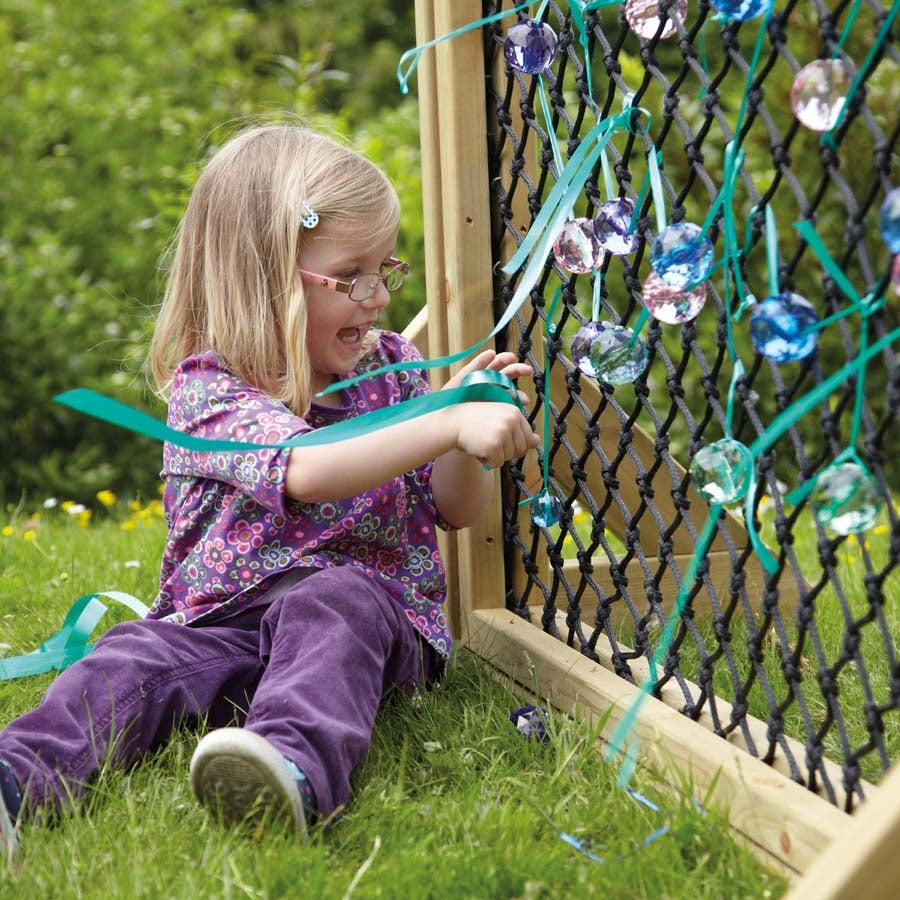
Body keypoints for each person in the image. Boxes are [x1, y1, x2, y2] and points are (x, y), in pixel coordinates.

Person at [0, 122, 539, 863]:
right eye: (351, 276)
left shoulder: (394, 368)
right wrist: (443, 421)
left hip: (361, 626)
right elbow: (307, 469)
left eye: (387, 268)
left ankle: (290, 770)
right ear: (265, 276)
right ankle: (15, 778)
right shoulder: (210, 389)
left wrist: (470, 437)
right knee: (132, 659)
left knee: (336, 595)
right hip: (217, 625)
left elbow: (453, 508)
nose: (378, 296)